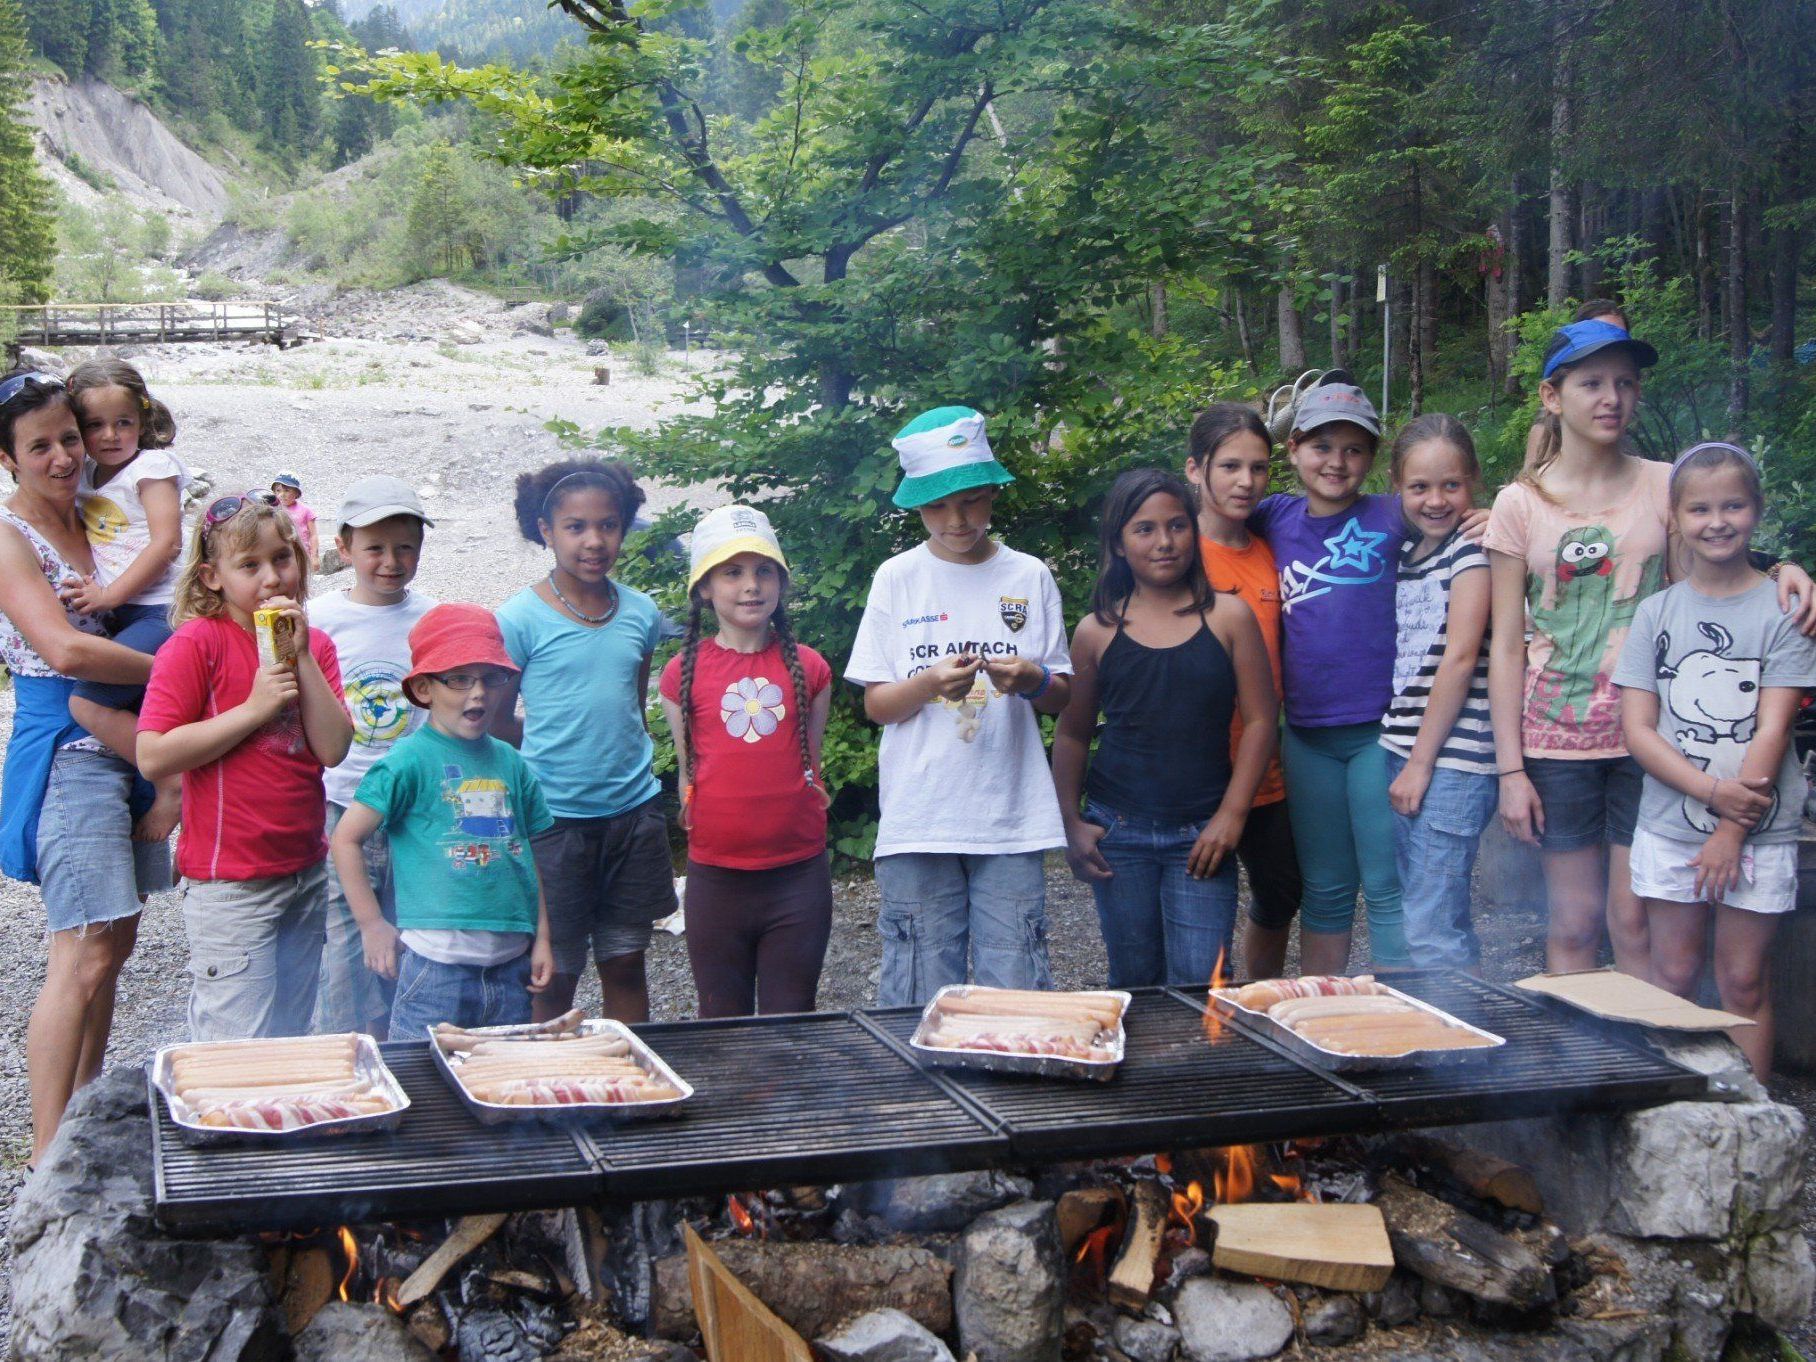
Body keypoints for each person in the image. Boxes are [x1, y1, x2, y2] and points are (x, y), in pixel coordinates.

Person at [1485, 321, 1816, 977]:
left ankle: (1642, 1044)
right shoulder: (1518, 504)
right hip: (1555, 740)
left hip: (1658, 738)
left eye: (1625, 383)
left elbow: (1719, 577)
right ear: (1552, 396)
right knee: (1573, 921)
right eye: (1592, 384)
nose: (1611, 398)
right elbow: (1505, 647)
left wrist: (1786, 570)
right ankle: (1577, 1044)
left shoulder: (1665, 484)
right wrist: (1510, 771)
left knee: (1633, 921)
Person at [847, 405, 1073, 1006]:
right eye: (938, 506)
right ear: (917, 507)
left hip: (1011, 816)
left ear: (992, 494)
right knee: (920, 989)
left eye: (971, 500)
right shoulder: (897, 578)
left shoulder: (1029, 576)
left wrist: (1032, 679)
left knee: (1015, 990)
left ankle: (1012, 1070)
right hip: (919, 816)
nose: (957, 518)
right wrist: (928, 684)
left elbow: (1062, 697)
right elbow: (877, 705)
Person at [0, 370, 170, 1166]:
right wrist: (187, 671)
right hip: (69, 748)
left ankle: (85, 1122)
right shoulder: (10, 536)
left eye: (69, 438)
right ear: (8, 459)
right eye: (40, 447)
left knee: (118, 943)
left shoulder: (101, 514)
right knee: (84, 946)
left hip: (133, 737)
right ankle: (46, 1160)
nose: (64, 457)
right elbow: (64, 649)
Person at [1615, 442, 1816, 1078]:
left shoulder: (1784, 610)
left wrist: (1731, 829)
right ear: (1676, 518)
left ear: (1757, 509)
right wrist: (1709, 792)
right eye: (1700, 509)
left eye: (1733, 506)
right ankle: (1674, 1107)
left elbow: (1774, 726)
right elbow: (1639, 730)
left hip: (1758, 830)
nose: (1717, 521)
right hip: (1671, 824)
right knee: (1672, 973)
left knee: (1743, 979)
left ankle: (1754, 1116)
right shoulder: (1656, 613)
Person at [137, 492, 353, 1040]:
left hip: (305, 869)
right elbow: (153, 754)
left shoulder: (317, 645)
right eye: (249, 565)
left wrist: (300, 656)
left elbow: (333, 749)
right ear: (212, 577)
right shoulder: (196, 644)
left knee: (289, 1034)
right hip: (231, 884)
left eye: (282, 558)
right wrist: (253, 709)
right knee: (235, 1045)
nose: (272, 577)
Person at [1053, 469, 1276, 987]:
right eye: (1144, 529)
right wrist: (1069, 822)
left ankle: (1200, 1048)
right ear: (1118, 542)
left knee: (1202, 980)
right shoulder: (1096, 630)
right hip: (1117, 829)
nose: (1164, 542)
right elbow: (1072, 733)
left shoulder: (1229, 617)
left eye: (1177, 525)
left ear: (1194, 531)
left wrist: (1232, 815)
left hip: (1202, 833)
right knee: (1134, 978)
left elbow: (1262, 720)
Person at [495, 459, 674, 1024]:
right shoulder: (519, 619)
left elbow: (631, 706)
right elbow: (498, 721)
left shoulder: (641, 612)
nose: (594, 541)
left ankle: (629, 1066)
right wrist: (557, 748)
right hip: (555, 821)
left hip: (633, 814)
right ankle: (552, 1073)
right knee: (554, 973)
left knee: (626, 961)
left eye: (608, 525)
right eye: (575, 527)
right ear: (545, 530)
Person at [331, 604, 555, 1037]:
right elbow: (346, 839)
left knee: (496, 1072)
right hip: (435, 970)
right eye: (459, 679)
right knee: (419, 1072)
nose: (478, 693)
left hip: (511, 967)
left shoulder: (511, 762)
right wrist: (371, 924)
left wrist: (542, 937)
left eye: (491, 678)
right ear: (423, 688)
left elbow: (526, 856)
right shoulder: (407, 761)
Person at [1248, 382, 1410, 972]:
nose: (1336, 462)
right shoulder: (1274, 517)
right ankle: (1324, 1009)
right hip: (1306, 735)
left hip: (1379, 732)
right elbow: (1213, 509)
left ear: (1372, 459)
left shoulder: (1392, 515)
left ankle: (1407, 1005)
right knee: (1326, 886)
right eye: (1321, 446)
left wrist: (1487, 517)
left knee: (1387, 883)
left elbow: (1451, 511)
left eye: (1353, 449)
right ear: (1293, 450)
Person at [659, 505, 834, 1017]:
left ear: (781, 582)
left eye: (764, 571)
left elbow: (812, 761)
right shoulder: (680, 673)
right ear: (704, 588)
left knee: (791, 1017)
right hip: (716, 878)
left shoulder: (811, 668)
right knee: (720, 1021)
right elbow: (688, 773)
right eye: (732, 572)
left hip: (797, 876)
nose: (751, 586)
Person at [310, 476, 438, 1037]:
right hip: (342, 798)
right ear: (344, 548)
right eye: (375, 548)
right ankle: (343, 1047)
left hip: (414, 806)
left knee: (411, 932)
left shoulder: (431, 619)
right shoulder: (319, 618)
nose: (391, 561)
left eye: (404, 547)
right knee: (344, 937)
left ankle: (404, 1047)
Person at [1185, 403, 1303, 978]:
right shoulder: (1173, 551)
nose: (1246, 481)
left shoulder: (1269, 549)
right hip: (1196, 766)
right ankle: (1196, 1010)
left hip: (1261, 764)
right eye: (1230, 466)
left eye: (1258, 468)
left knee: (1282, 891)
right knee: (1200, 904)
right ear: (1195, 469)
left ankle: (1257, 1002)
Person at [1379, 414, 1496, 971]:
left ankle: (1458, 1026)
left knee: (1432, 926)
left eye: (1451, 485)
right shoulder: (1408, 556)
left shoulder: (1471, 553)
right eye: (1419, 486)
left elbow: (1461, 657)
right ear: (1396, 486)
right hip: (1407, 749)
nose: (1435, 500)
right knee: (1429, 911)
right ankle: (1457, 1015)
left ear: (1473, 481)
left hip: (1453, 760)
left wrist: (1420, 763)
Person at [61, 357, 187, 843]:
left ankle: (172, 781)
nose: (111, 435)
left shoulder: (152, 468)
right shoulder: (88, 474)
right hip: (128, 612)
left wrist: (108, 595)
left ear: (143, 418)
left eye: (124, 423)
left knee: (87, 703)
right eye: (95, 425)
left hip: (160, 608)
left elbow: (166, 542)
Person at [1522, 300, 1629, 473]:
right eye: (1592, 384)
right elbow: (1531, 477)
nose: (1611, 338)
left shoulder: (1637, 414)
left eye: (1620, 334)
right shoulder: (1547, 426)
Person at [272, 470, 319, 569]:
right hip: (281, 556)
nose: (282, 494)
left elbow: (313, 535)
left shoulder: (306, 511)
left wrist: (314, 556)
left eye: (287, 490)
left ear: (296, 493)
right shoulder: (273, 510)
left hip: (302, 555)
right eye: (278, 490)